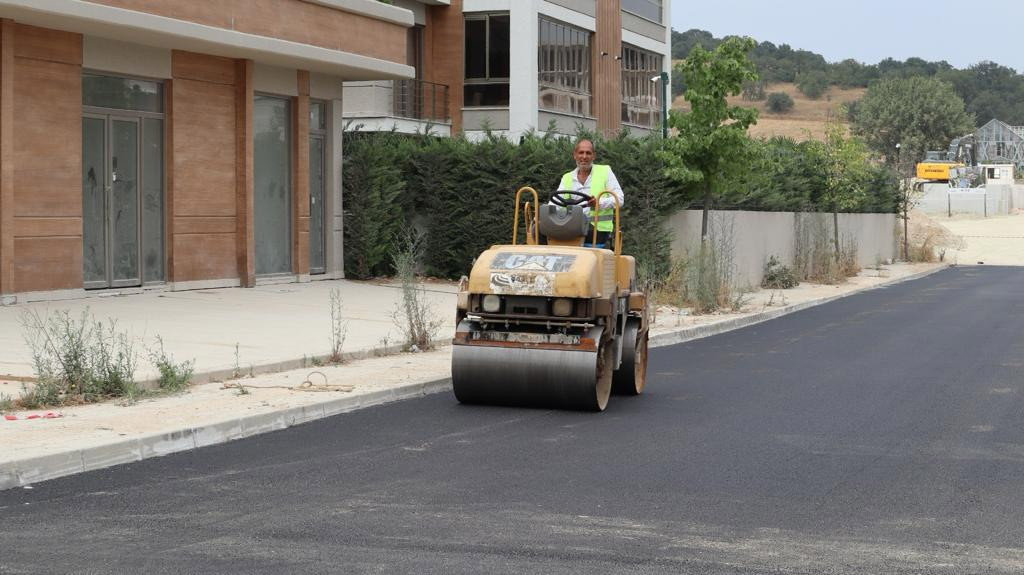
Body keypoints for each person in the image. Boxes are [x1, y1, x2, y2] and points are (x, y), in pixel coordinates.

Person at [556, 138, 624, 248]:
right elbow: (556, 202)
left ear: (593, 156)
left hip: (598, 231)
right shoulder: (567, 178)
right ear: (575, 155)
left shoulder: (605, 171)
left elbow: (619, 199)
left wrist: (598, 203)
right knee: (540, 229)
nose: (584, 156)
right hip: (573, 227)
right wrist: (545, 216)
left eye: (588, 153)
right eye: (581, 152)